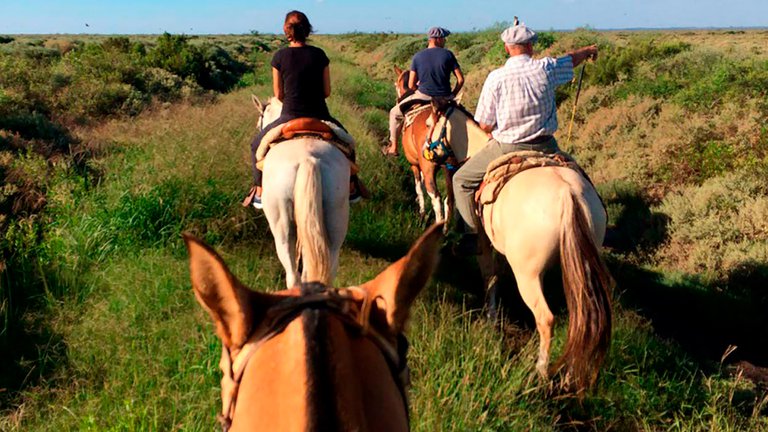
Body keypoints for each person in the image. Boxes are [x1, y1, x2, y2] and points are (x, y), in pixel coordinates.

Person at [452, 23, 598, 243]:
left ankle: (470, 236)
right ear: (530, 46)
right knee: (582, 179)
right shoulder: (546, 68)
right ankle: (600, 217)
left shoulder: (496, 78)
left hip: (506, 148)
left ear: (507, 48)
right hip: (547, 146)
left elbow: (484, 125)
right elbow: (570, 59)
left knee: (460, 180)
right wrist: (587, 51)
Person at [247, 10, 366, 209]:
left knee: (255, 146)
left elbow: (278, 94)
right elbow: (327, 91)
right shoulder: (319, 55)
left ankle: (259, 190)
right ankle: (352, 186)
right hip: (320, 114)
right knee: (348, 142)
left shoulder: (279, 56)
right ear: (308, 30)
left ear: (287, 30)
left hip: (288, 116)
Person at [382, 26, 464, 156]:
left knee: (394, 113)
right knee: (467, 117)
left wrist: (418, 87)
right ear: (438, 39)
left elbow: (410, 84)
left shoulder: (418, 57)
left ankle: (393, 147)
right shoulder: (448, 54)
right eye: (444, 39)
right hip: (445, 98)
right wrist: (453, 94)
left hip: (423, 96)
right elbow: (460, 79)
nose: (444, 41)